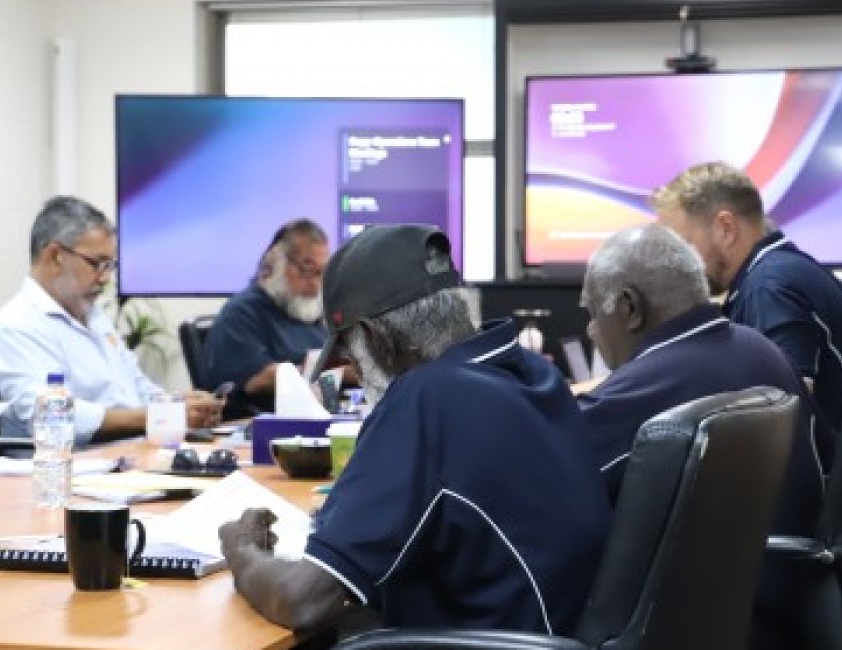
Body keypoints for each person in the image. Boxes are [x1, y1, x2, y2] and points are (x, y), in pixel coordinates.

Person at [218, 225, 610, 636]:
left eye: (349, 353)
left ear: (373, 337)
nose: (354, 371)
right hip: (546, 630)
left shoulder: (426, 396)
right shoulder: (531, 372)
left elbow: (301, 600)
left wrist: (242, 551)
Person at [578, 225, 827, 650]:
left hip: (693, 619)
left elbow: (547, 469)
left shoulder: (648, 386)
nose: (590, 331)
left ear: (629, 308)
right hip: (774, 605)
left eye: (591, 313)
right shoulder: (757, 348)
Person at [652, 161, 842, 432]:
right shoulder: (783, 269)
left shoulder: (769, 287)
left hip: (824, 471)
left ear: (726, 227)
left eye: (684, 245)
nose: (680, 263)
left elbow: (779, 411)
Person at [0, 196, 220, 445]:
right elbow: (50, 415)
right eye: (97, 264)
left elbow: (136, 387)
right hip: (68, 468)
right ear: (55, 256)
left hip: (131, 456)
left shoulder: (94, 316)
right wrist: (156, 416)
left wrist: (180, 405)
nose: (105, 278)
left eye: (110, 265)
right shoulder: (16, 325)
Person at [202, 219, 329, 419]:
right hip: (259, 427)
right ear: (273, 264)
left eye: (321, 273)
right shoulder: (241, 313)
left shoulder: (313, 312)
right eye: (306, 270)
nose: (315, 284)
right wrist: (334, 371)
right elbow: (256, 381)